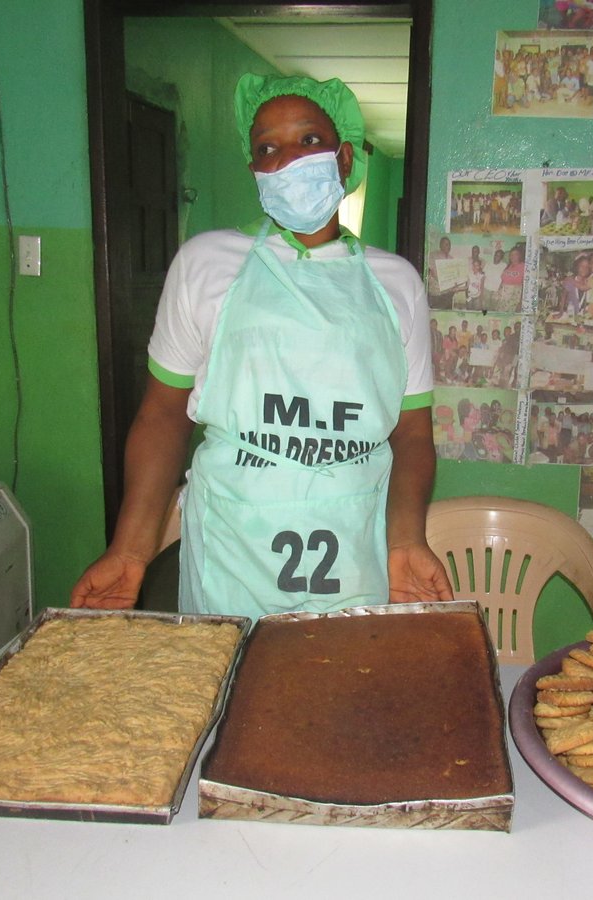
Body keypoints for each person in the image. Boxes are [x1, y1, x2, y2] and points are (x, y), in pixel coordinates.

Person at [71, 74, 453, 619]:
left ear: (345, 159)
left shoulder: (396, 284)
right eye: (267, 149)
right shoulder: (206, 264)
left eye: (310, 141)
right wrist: (130, 549)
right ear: (254, 170)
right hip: (232, 558)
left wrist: (406, 540)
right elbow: (162, 416)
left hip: (356, 559)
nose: (289, 161)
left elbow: (412, 434)